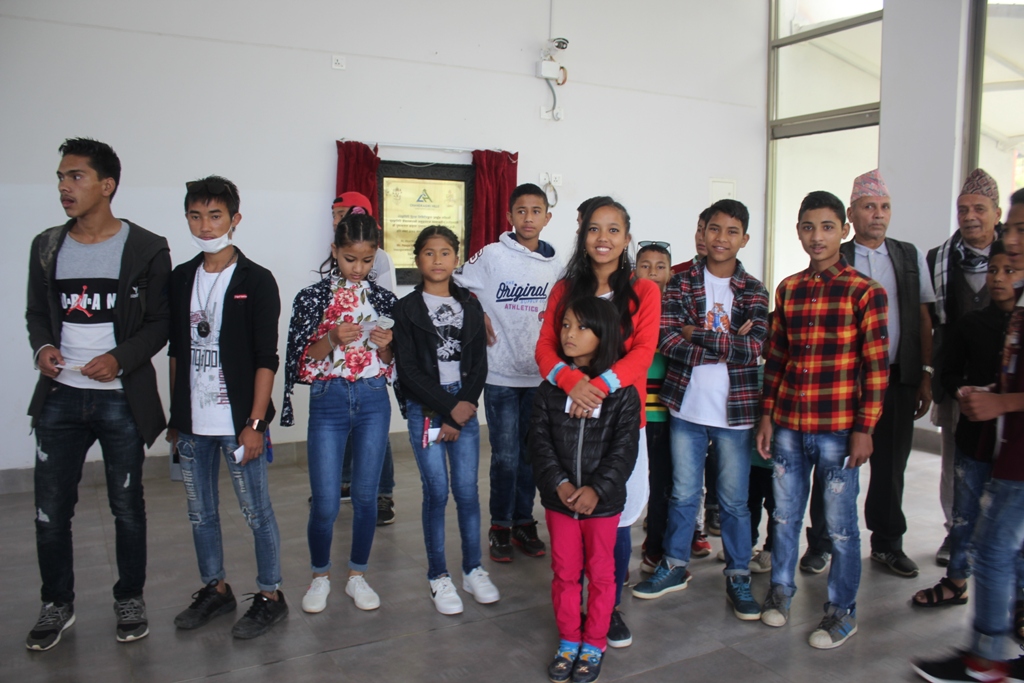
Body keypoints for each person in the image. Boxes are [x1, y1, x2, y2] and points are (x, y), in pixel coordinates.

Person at [25, 138, 170, 651]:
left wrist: (121, 359)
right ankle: (56, 603)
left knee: (127, 506)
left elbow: (160, 323)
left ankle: (129, 598)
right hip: (60, 397)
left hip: (120, 400)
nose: (65, 187)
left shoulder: (146, 247)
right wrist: (43, 346)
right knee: (50, 510)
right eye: (61, 177)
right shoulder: (47, 246)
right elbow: (37, 312)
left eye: (76, 176)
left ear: (107, 186)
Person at [757, 190, 889, 649]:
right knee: (784, 516)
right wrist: (767, 416)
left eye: (827, 227)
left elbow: (876, 368)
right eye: (809, 227)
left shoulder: (865, 292)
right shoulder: (789, 289)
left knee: (840, 527)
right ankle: (780, 592)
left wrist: (865, 428)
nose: (817, 236)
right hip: (789, 425)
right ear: (798, 231)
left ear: (844, 231)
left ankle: (841, 612)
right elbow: (777, 358)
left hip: (838, 428)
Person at [632, 199, 769, 624]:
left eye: (732, 231)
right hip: (686, 409)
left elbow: (755, 348)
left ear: (744, 239)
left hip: (735, 414)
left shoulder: (754, 290)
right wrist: (724, 342)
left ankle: (738, 575)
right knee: (682, 494)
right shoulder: (680, 283)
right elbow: (667, 340)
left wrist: (697, 333)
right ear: (702, 232)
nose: (721, 238)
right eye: (714, 229)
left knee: (734, 502)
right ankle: (674, 565)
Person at [536, 196, 661, 654]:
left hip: (621, 420)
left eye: (613, 230)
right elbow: (545, 349)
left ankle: (609, 608)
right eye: (594, 228)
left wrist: (599, 387)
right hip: (568, 420)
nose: (602, 238)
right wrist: (573, 383)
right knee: (571, 509)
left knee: (617, 513)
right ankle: (575, 613)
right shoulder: (564, 289)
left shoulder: (644, 291)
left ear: (627, 239)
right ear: (582, 235)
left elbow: (643, 352)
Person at [911, 188, 1024, 683]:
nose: (1010, 241)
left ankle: (987, 660)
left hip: (1016, 453)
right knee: (989, 538)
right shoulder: (1006, 310)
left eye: (1019, 229)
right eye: (1011, 230)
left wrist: (1003, 402)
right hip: (999, 445)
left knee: (995, 549)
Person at [166, 176, 287, 638]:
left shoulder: (256, 280)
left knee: (256, 512)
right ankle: (215, 589)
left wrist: (255, 422)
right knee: (200, 513)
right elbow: (176, 351)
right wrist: (176, 417)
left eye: (215, 216)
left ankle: (270, 595)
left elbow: (266, 358)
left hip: (237, 423)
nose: (205, 225)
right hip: (192, 424)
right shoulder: (181, 277)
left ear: (234, 219)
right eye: (195, 216)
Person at [802, 170, 936, 578]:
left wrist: (926, 372)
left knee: (891, 466)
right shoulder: (834, 252)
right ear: (851, 215)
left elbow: (923, 317)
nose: (878, 215)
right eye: (869, 207)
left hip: (895, 379)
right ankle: (820, 543)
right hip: (841, 383)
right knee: (833, 463)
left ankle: (888, 543)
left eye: (885, 207)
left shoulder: (908, 256)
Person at [282, 212, 397, 614]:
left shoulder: (384, 299)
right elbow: (301, 359)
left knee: (366, 497)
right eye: (350, 259)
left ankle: (357, 575)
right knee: (327, 502)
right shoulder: (312, 297)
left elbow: (390, 361)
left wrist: (385, 344)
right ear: (335, 251)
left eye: (367, 260)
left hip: (372, 397)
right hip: (328, 398)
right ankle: (319, 577)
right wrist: (331, 337)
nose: (358, 268)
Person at [392, 226, 500, 615]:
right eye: (428, 253)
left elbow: (478, 363)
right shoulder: (406, 308)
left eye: (445, 253)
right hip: (426, 409)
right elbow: (408, 371)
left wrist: (463, 405)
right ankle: (438, 575)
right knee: (436, 492)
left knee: (467, 492)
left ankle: (473, 569)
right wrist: (449, 409)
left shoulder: (470, 305)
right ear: (417, 259)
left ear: (457, 258)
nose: (437, 260)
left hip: (463, 406)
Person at [531, 296, 640, 683]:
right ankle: (568, 640)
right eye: (565, 325)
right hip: (560, 502)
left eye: (581, 327)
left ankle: (594, 642)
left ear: (604, 334)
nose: (569, 334)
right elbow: (539, 444)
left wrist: (597, 489)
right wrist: (559, 484)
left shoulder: (623, 393)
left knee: (602, 574)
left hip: (602, 505)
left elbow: (624, 450)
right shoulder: (549, 389)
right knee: (564, 573)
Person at [453, 182, 563, 562]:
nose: (528, 218)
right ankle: (499, 525)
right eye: (521, 211)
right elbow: (454, 281)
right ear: (509, 216)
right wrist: (476, 311)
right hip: (499, 374)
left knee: (531, 454)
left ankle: (523, 522)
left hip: (540, 375)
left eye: (536, 211)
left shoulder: (557, 265)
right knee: (505, 455)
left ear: (547, 217)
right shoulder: (492, 255)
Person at [928, 169, 1003, 566]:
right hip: (955, 378)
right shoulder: (939, 259)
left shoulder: (1012, 257)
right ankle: (954, 532)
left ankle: (995, 535)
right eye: (963, 209)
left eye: (979, 208)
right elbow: (932, 324)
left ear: (997, 213)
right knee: (955, 460)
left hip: (1003, 382)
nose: (970, 216)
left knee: (1002, 458)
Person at [330, 192, 398, 524]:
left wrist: (380, 339)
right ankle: (344, 482)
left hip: (371, 360)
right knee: (344, 424)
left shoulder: (380, 258)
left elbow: (386, 306)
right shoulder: (334, 257)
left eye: (343, 213)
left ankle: (383, 493)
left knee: (375, 431)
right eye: (334, 214)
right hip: (341, 363)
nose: (338, 219)